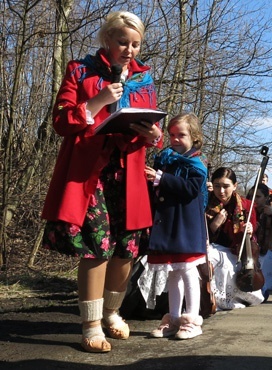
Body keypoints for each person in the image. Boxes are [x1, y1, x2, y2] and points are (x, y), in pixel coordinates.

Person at [41, 11, 162, 353]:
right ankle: (91, 324)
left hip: (130, 174)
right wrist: (97, 102)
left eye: (136, 44)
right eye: (123, 41)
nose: (130, 50)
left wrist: (154, 135)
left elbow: (153, 128)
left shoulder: (144, 78)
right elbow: (62, 122)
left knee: (127, 249)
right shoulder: (79, 70)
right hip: (89, 174)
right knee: (97, 248)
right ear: (106, 39)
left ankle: (112, 313)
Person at [144, 113, 208, 340]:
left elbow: (191, 189)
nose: (176, 139)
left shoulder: (196, 164)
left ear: (194, 136)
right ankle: (173, 317)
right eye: (171, 135)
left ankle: (192, 318)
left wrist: (161, 178)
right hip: (169, 224)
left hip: (187, 227)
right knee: (172, 272)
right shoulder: (166, 159)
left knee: (188, 271)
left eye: (181, 134)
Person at [205, 167, 265, 309]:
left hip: (236, 251)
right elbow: (201, 233)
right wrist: (214, 225)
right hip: (213, 246)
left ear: (235, 186)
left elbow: (254, 235)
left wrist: (250, 230)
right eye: (217, 186)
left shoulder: (246, 205)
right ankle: (210, 299)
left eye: (226, 186)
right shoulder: (205, 203)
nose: (221, 191)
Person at [246, 183, 272, 295]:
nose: (254, 199)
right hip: (250, 252)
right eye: (251, 197)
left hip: (269, 252)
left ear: (266, 198)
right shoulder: (247, 211)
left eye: (258, 197)